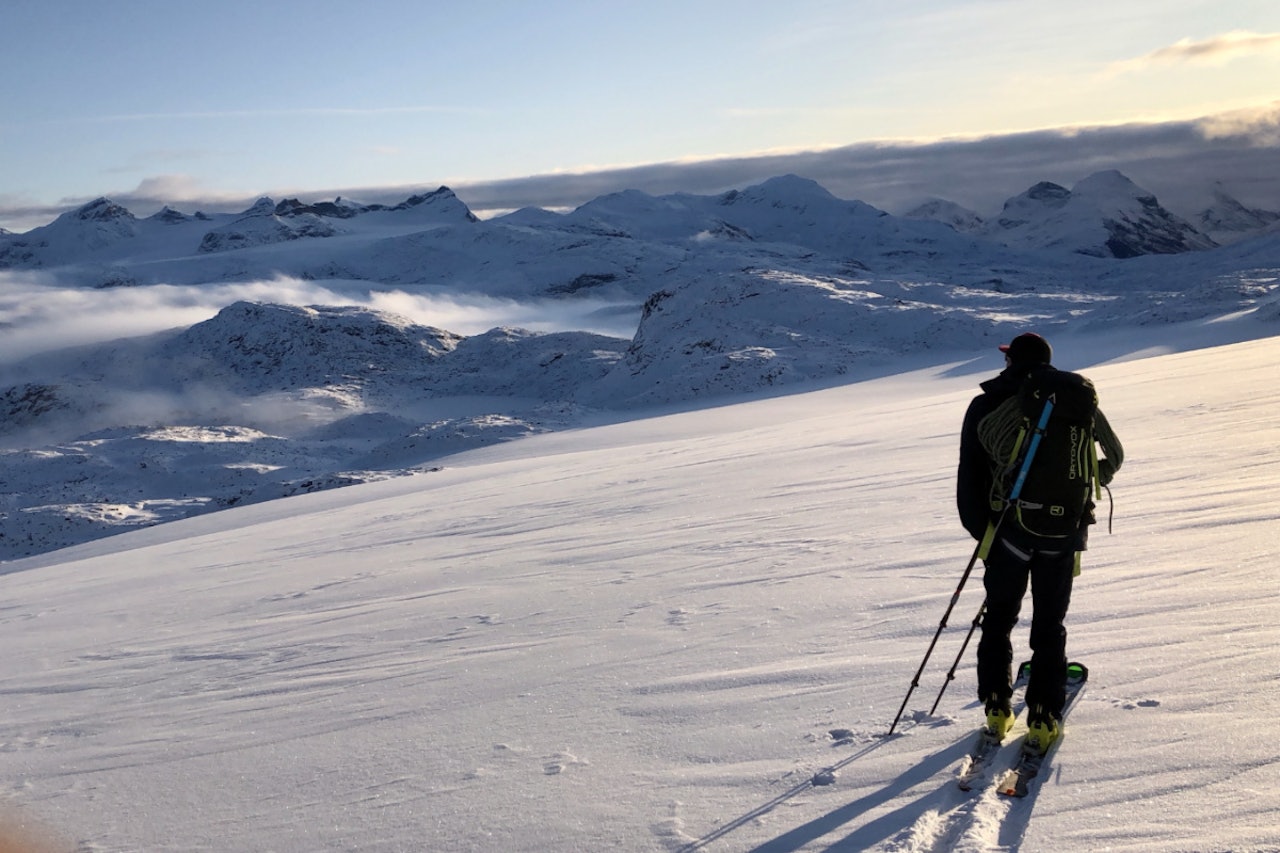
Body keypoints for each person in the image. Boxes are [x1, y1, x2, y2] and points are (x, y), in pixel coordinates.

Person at [956, 332, 1123, 753]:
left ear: (1013, 361)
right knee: (1049, 625)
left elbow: (970, 474)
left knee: (998, 620)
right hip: (1064, 534)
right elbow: (1113, 456)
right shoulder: (1076, 397)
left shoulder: (988, 403)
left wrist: (984, 533)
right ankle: (1045, 717)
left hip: (1008, 532)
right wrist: (1089, 485)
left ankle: (997, 706)